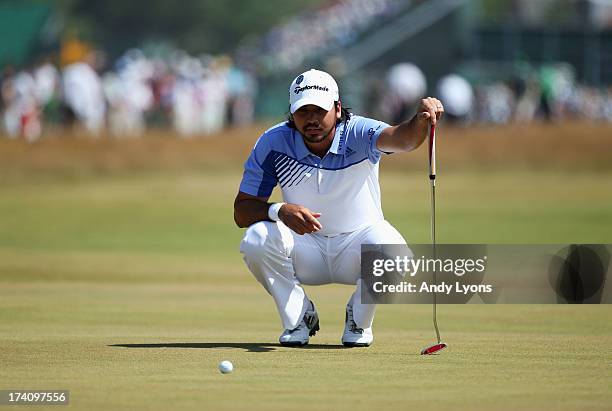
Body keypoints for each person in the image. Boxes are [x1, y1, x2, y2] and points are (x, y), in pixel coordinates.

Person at [234, 69, 444, 347]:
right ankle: (298, 318)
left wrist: (419, 121)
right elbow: (242, 211)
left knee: (395, 252)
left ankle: (358, 319)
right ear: (292, 112)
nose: (311, 120)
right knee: (256, 239)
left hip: (358, 249)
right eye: (302, 111)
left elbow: (404, 139)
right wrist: (280, 210)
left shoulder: (358, 131)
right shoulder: (273, 142)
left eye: (318, 111)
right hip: (304, 250)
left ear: (337, 107)